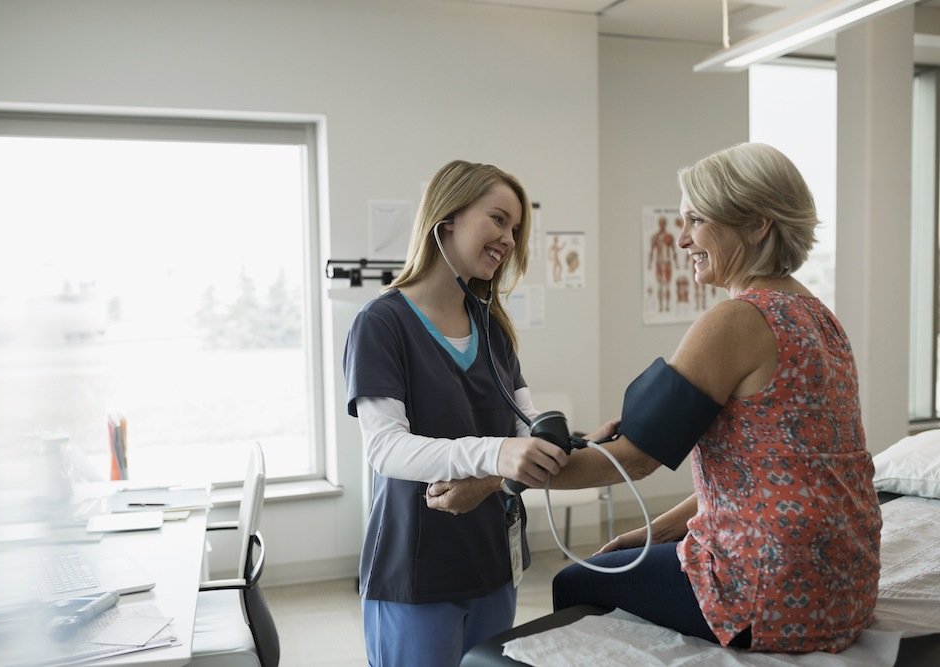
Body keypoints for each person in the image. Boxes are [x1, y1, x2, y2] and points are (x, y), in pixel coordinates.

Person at [430, 143, 882, 654]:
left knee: (576, 582)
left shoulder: (738, 320)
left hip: (771, 592)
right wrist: (661, 530)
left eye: (696, 220)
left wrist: (491, 479)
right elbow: (772, 474)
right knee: (618, 559)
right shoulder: (820, 318)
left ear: (757, 224)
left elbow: (635, 460)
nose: (683, 238)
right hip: (845, 586)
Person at [342, 159, 569, 667]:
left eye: (515, 228)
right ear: (447, 221)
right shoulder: (381, 324)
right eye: (498, 219)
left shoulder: (493, 328)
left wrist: (560, 441)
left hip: (492, 560)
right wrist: (499, 456)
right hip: (416, 571)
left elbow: (522, 427)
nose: (509, 238)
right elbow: (386, 449)